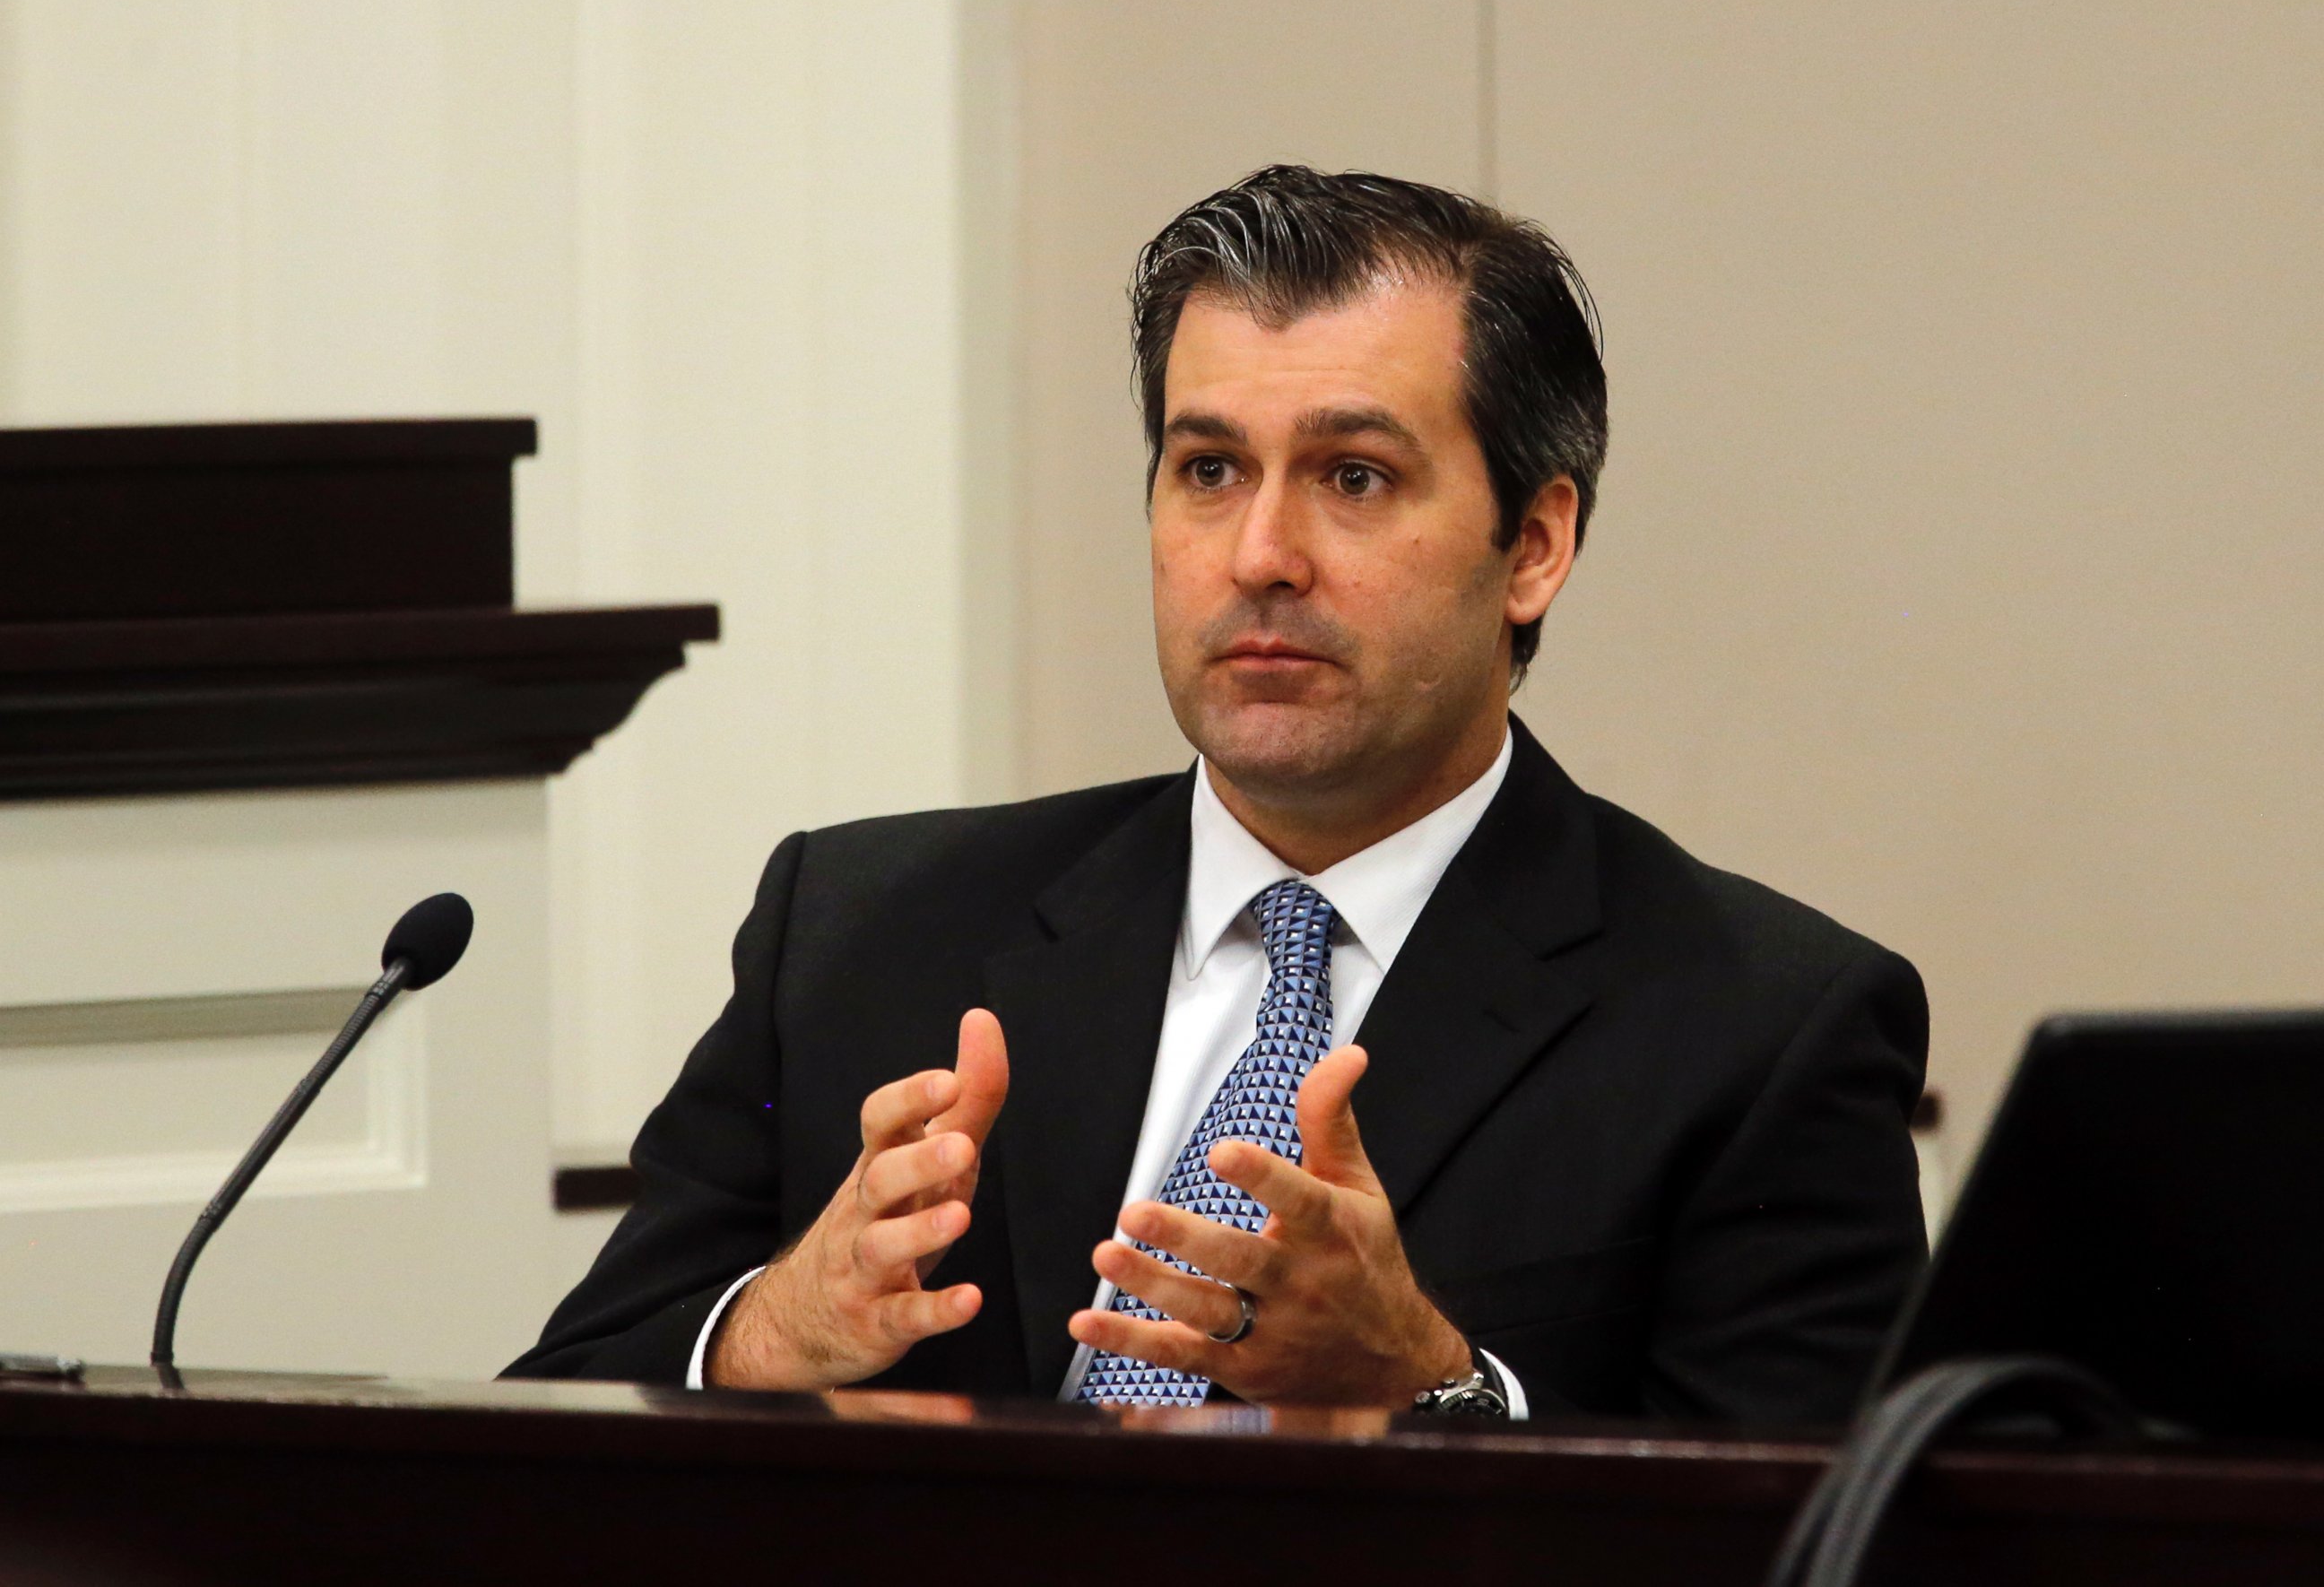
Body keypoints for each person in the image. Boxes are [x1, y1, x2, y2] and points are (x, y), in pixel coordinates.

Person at [507, 166, 1928, 1421]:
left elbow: (1817, 1539)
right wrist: (762, 1335)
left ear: (1536, 543)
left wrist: (1434, 1386)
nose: (1259, 553)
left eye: (1354, 476)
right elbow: (530, 1440)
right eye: (1207, 469)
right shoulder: (858, 933)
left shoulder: (1761, 1028)